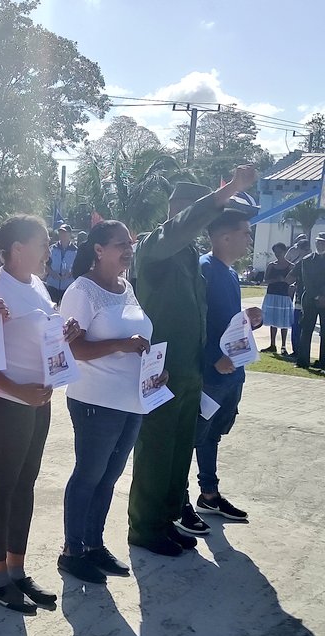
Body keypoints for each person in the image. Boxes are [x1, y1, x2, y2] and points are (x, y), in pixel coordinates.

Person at [127, 166, 259, 557]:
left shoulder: (188, 257)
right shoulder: (156, 246)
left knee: (178, 449)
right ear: (180, 210)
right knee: (155, 449)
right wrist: (228, 189)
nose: (204, 220)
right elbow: (181, 227)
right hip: (163, 370)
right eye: (198, 210)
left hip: (188, 371)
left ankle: (165, 521)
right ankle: (144, 528)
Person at [0, 214, 80, 614]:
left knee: (25, 485)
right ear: (18, 248)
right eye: (43, 242)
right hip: (3, 399)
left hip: (37, 399)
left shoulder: (35, 285)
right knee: (1, 485)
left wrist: (62, 334)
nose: (49, 250)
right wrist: (17, 389)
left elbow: (40, 334)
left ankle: (17, 570)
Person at [57, 220, 161, 584]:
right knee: (89, 474)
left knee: (109, 478)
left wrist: (152, 371)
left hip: (132, 398)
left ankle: (94, 545)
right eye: (121, 244)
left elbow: (138, 340)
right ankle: (72, 551)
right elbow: (73, 348)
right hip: (94, 400)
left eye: (131, 243)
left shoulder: (125, 287)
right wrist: (121, 344)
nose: (129, 249)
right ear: (99, 249)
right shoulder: (82, 291)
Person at [175, 201, 262, 536]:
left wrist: (251, 320)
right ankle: (178, 500)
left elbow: (227, 322)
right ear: (224, 237)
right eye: (245, 234)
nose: (248, 241)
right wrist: (214, 357)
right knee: (192, 437)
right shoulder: (205, 270)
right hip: (212, 375)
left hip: (232, 373)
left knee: (211, 437)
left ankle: (208, 494)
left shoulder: (228, 272)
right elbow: (196, 322)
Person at [293, 232, 325, 369]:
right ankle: (303, 361)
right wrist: (318, 296)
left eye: (322, 242)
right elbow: (307, 281)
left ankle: (323, 362)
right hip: (310, 299)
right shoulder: (306, 260)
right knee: (306, 330)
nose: (320, 244)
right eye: (318, 242)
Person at [259, 242, 294, 355]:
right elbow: (265, 281)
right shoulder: (271, 265)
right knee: (273, 320)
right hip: (272, 295)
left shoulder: (291, 266)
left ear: (284, 252)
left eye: (280, 252)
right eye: (276, 252)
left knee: (284, 321)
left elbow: (293, 281)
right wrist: (276, 280)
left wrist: (285, 281)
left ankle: (283, 346)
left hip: (284, 295)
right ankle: (272, 344)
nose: (277, 254)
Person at [286, 239, 311, 355]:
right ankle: (303, 352)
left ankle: (298, 351)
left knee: (298, 326)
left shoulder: (302, 262)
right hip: (310, 299)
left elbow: (288, 279)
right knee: (303, 326)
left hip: (302, 298)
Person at [45, 224, 77, 303]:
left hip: (68, 286)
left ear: (70, 234)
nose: (62, 235)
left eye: (65, 233)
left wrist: (70, 273)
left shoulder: (76, 251)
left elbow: (78, 267)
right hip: (52, 285)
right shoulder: (52, 249)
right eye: (61, 232)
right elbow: (45, 264)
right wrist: (52, 273)